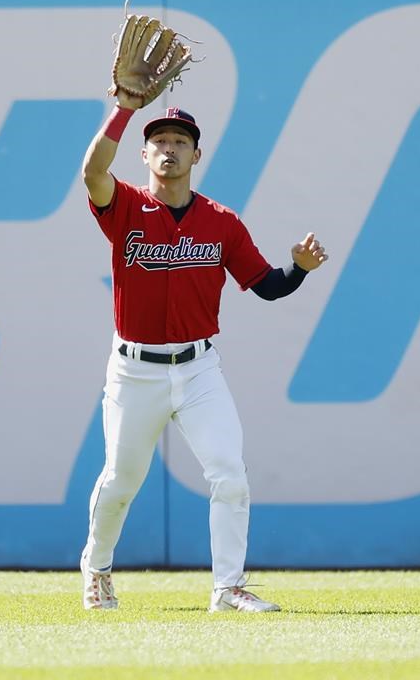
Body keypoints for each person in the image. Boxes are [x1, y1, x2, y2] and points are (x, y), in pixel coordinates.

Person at [80, 89, 328, 613]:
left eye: (180, 142)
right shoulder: (124, 205)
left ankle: (228, 588)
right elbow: (91, 173)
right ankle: (97, 569)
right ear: (145, 155)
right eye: (160, 142)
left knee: (229, 473)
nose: (169, 149)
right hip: (134, 370)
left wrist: (301, 268)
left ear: (197, 155)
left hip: (199, 369)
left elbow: (266, 286)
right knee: (121, 481)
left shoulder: (221, 222)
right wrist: (125, 108)